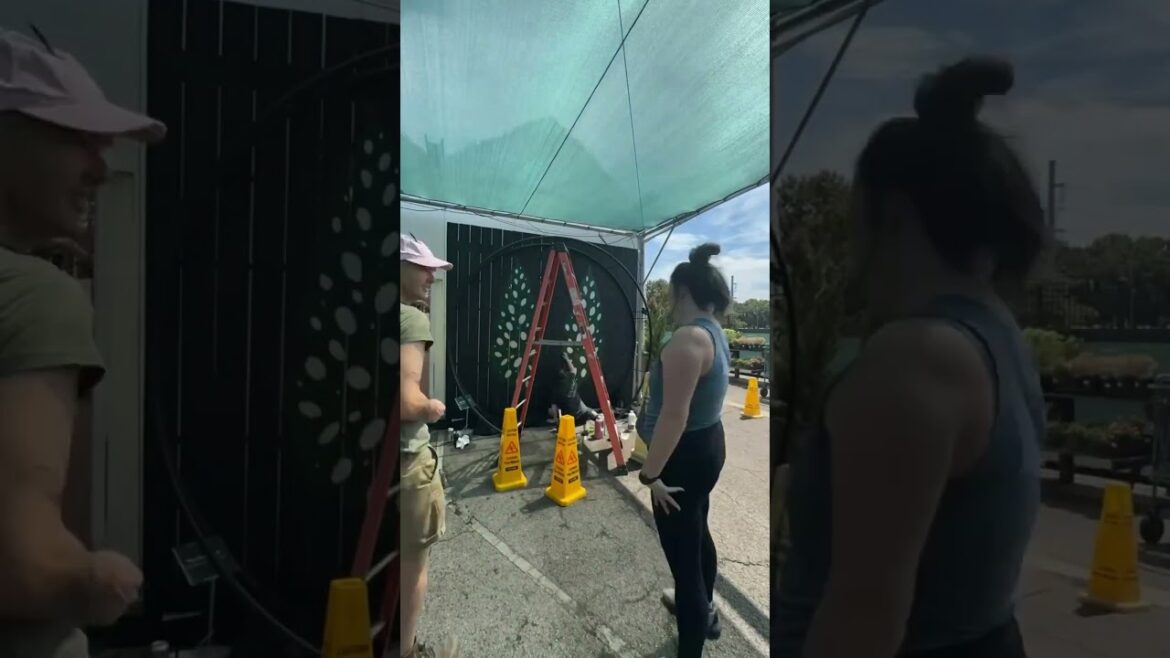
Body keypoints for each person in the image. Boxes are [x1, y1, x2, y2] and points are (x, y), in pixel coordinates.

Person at [775, 57, 1046, 657]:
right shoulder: (998, 336)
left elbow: (864, 613)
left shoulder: (917, 358)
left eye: (856, 221)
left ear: (891, 216)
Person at [0, 27, 166, 658]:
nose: (101, 167)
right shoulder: (35, 296)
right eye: (78, 138)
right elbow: (24, 566)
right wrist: (95, 580)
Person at [636, 242, 732, 658]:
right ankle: (704, 608)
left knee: (683, 561)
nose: (670, 303)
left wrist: (650, 475)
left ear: (683, 292)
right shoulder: (715, 332)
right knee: (697, 530)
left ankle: (692, 633)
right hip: (707, 445)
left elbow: (674, 417)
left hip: (684, 456)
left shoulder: (688, 340)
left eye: (672, 295)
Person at [399, 234, 459, 658]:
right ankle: (406, 649)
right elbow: (407, 401)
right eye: (423, 268)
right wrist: (433, 406)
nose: (432, 277)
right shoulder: (412, 320)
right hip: (406, 461)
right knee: (412, 565)